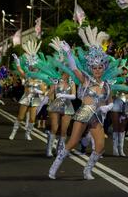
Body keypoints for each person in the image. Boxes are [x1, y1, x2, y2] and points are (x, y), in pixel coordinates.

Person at [49, 26, 119, 180]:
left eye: (100, 67)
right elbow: (74, 68)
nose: (97, 70)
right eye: (94, 67)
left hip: (97, 117)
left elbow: (111, 102)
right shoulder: (86, 80)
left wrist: (107, 107)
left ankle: (87, 170)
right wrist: (68, 53)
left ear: (104, 67)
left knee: (100, 146)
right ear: (90, 68)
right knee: (72, 142)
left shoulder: (107, 85)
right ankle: (54, 167)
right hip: (83, 112)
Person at [9, 40, 47, 141]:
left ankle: (28, 133)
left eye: (35, 68)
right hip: (26, 98)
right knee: (20, 117)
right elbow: (20, 70)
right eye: (32, 68)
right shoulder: (27, 77)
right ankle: (13, 132)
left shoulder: (41, 79)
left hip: (35, 99)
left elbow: (44, 91)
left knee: (32, 119)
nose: (34, 69)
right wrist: (17, 62)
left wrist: (37, 91)